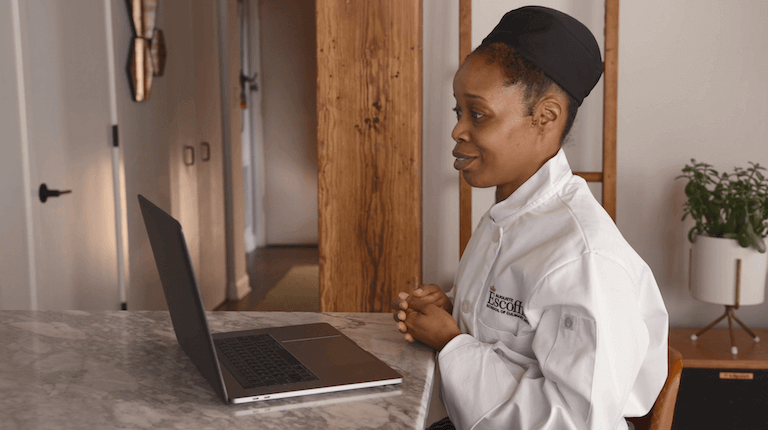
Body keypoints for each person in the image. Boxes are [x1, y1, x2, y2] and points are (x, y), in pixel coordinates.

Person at [392, 6, 669, 430]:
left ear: (546, 116)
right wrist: (453, 313)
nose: (457, 131)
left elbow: (574, 422)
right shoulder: (507, 216)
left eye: (478, 114)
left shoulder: (585, 259)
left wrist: (451, 342)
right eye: (458, 113)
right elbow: (512, 338)